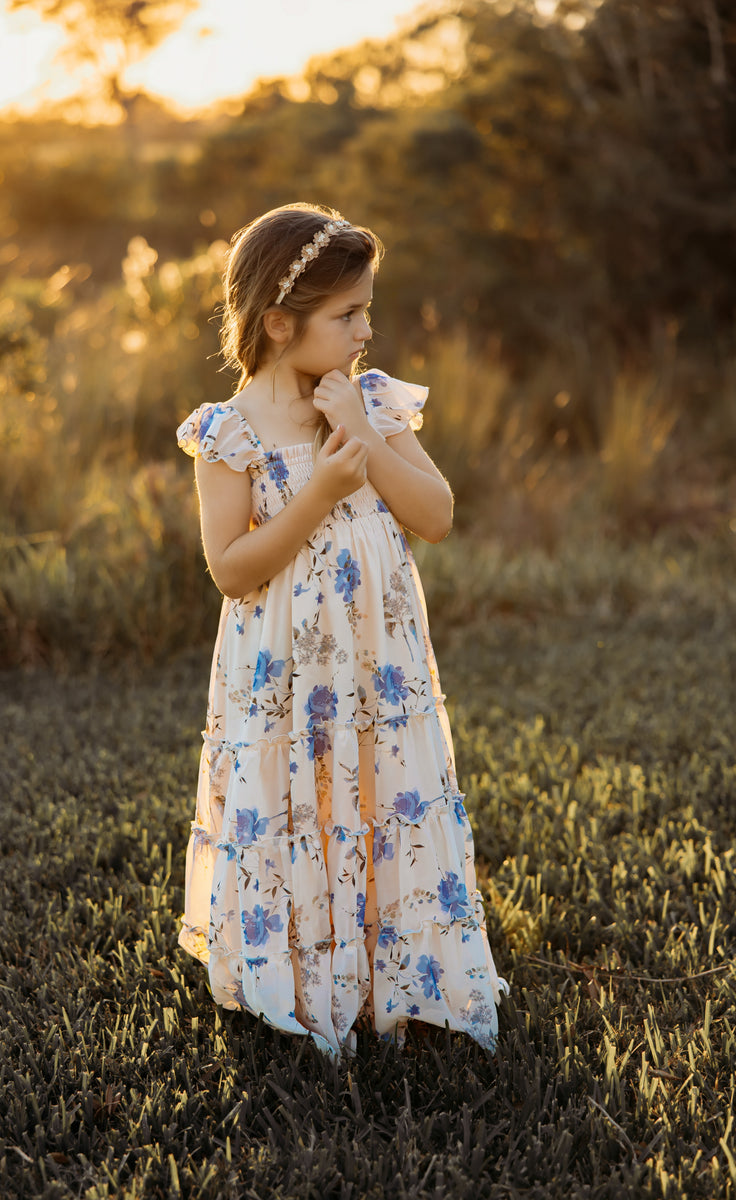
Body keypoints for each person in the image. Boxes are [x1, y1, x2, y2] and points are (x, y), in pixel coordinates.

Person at [176, 202, 507, 1056]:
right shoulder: (232, 434)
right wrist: (319, 494)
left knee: (377, 793)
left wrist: (364, 434)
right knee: (303, 799)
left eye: (368, 308)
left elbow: (434, 515)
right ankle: (305, 972)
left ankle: (391, 973)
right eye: (349, 314)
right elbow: (233, 569)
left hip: (377, 663)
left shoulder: (369, 402)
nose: (369, 328)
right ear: (281, 323)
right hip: (288, 674)